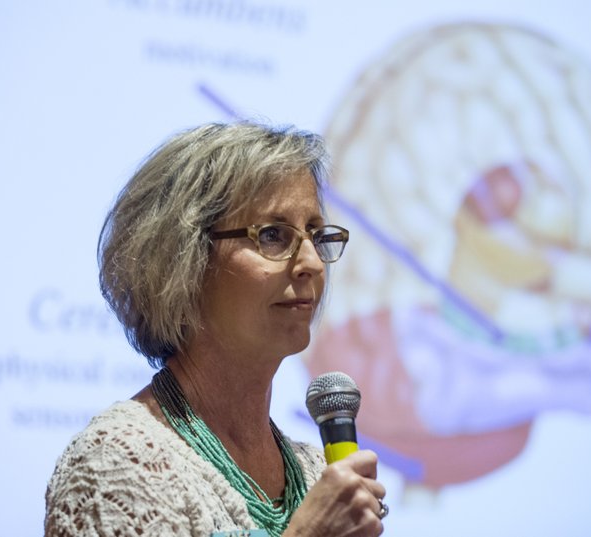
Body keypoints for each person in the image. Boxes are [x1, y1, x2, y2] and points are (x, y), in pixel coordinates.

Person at [44, 121, 388, 536]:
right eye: (274, 235)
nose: (312, 263)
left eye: (316, 235)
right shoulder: (116, 461)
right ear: (182, 261)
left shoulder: (319, 475)